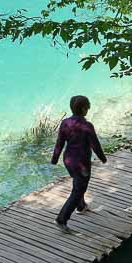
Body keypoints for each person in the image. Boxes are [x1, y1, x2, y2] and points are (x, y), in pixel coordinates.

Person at [51, 94, 107, 231]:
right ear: (83, 109)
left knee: (78, 183)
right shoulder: (87, 126)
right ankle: (61, 219)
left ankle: (81, 206)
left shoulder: (65, 123)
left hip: (68, 161)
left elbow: (59, 143)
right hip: (82, 163)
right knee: (78, 189)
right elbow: (95, 145)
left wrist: (55, 159)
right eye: (87, 108)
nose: (88, 110)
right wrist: (103, 158)